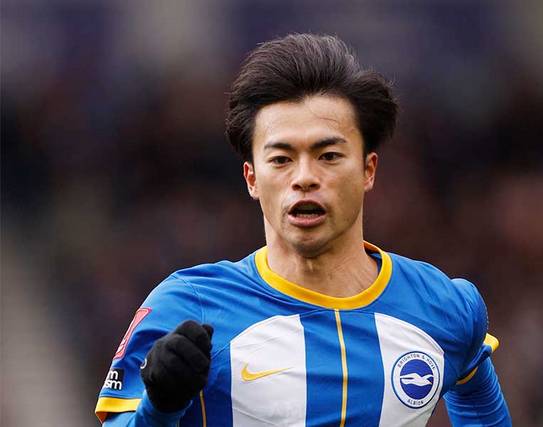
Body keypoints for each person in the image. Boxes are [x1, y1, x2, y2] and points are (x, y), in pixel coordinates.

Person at [95, 33, 511, 426]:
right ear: (251, 178)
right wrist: (160, 407)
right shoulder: (188, 307)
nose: (305, 177)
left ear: (367, 170)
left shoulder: (445, 307)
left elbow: (482, 410)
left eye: (328, 156)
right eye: (281, 159)